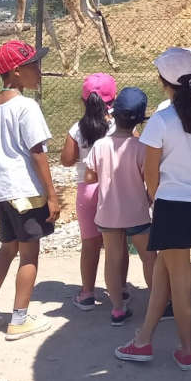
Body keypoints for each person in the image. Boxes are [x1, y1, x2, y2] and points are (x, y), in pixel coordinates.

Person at [116, 47, 191, 370]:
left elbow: (151, 172)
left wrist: (154, 197)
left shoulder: (161, 120)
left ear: (163, 81)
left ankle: (187, 348)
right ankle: (143, 339)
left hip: (172, 204)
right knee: (164, 269)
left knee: (179, 279)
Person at [0, 40, 58, 341]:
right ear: (17, 71)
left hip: (0, 191)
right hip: (25, 191)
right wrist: (52, 194)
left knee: (7, 248)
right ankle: (19, 319)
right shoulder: (26, 106)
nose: (39, 70)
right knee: (29, 254)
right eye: (34, 65)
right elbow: (37, 152)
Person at [88, 87, 155, 326]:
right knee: (149, 258)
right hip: (136, 212)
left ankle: (117, 308)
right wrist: (148, 197)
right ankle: (158, 303)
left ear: (113, 114)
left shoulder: (100, 145)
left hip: (108, 213)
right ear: (140, 119)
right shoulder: (141, 147)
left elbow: (90, 176)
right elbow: (150, 179)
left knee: (112, 259)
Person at [59, 73, 117, 311]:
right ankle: (120, 290)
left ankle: (87, 293)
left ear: (83, 100)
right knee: (115, 244)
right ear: (113, 99)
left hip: (86, 189)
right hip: (113, 189)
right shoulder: (117, 125)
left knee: (90, 243)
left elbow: (66, 160)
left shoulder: (77, 128)